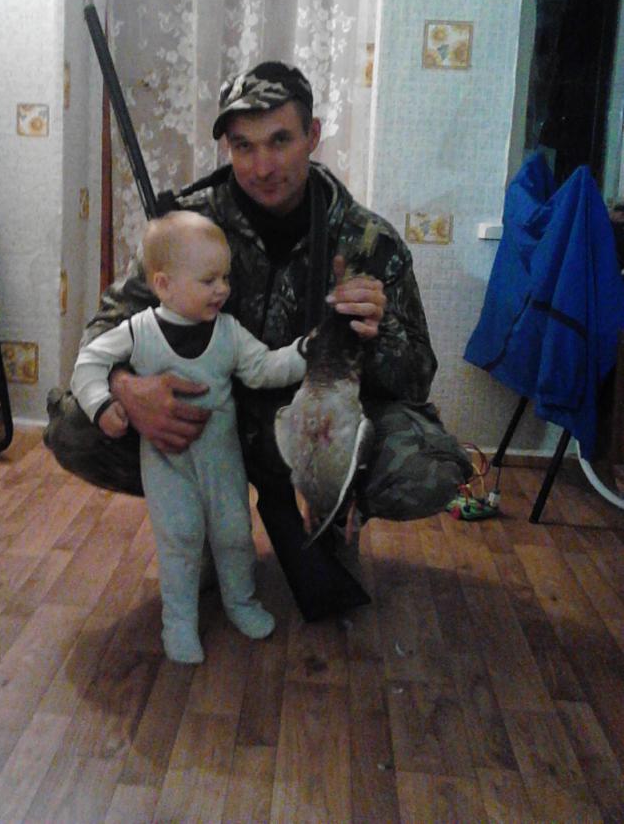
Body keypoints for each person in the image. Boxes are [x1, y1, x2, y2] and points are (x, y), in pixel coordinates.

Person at [45, 60, 472, 623]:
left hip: (314, 430)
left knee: (427, 467)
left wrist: (377, 331)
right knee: (77, 427)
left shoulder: (368, 240)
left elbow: (417, 378)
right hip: (208, 424)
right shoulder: (186, 227)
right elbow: (104, 332)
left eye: (280, 141)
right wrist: (128, 390)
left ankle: (331, 511)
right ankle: (199, 521)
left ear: (312, 136)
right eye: (243, 146)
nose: (262, 166)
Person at [71, 211, 306, 663]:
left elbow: (264, 369)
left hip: (223, 463)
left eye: (225, 278)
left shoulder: (228, 332)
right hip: (167, 464)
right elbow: (88, 362)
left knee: (234, 533)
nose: (222, 289)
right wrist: (101, 405)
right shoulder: (139, 331)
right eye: (208, 280)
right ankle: (178, 622)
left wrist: (305, 352)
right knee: (179, 539)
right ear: (163, 285)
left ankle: (241, 602)